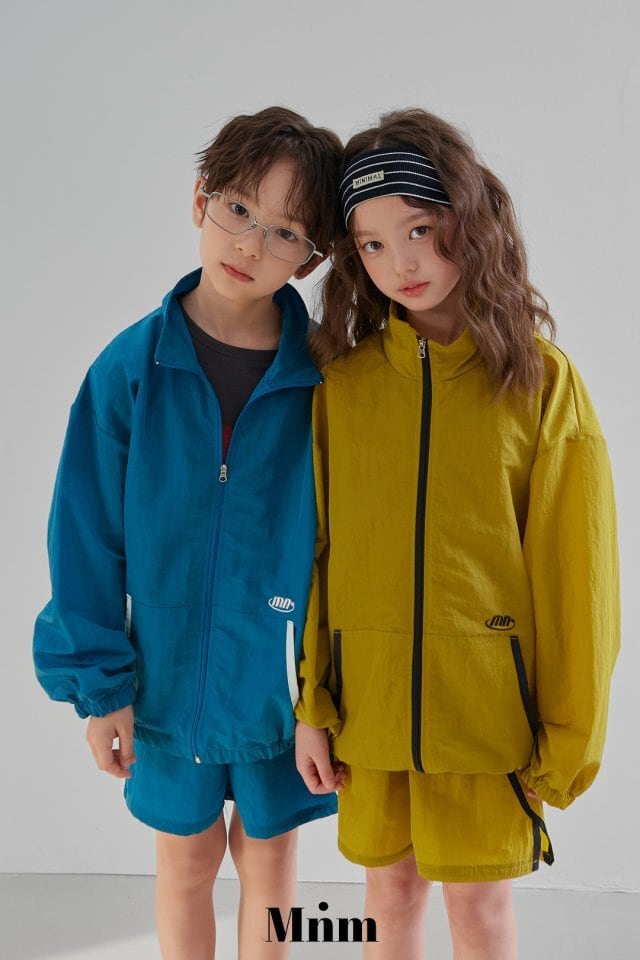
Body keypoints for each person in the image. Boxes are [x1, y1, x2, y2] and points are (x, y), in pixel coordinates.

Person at [295, 108, 620, 960]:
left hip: (486, 721)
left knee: (479, 913)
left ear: (469, 222)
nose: (399, 262)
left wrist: (566, 743)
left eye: (418, 229)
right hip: (369, 713)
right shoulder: (342, 388)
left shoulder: (540, 382)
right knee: (387, 899)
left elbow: (580, 579)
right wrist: (313, 705)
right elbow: (316, 556)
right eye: (370, 244)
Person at [33, 106, 344, 960]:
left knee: (271, 860)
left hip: (283, 688)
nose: (250, 243)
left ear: (311, 258)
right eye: (238, 209)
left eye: (284, 232)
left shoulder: (328, 382)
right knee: (186, 860)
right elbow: (84, 536)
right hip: (163, 682)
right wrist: (102, 687)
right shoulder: (129, 369)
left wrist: (328, 692)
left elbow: (344, 550)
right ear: (200, 199)